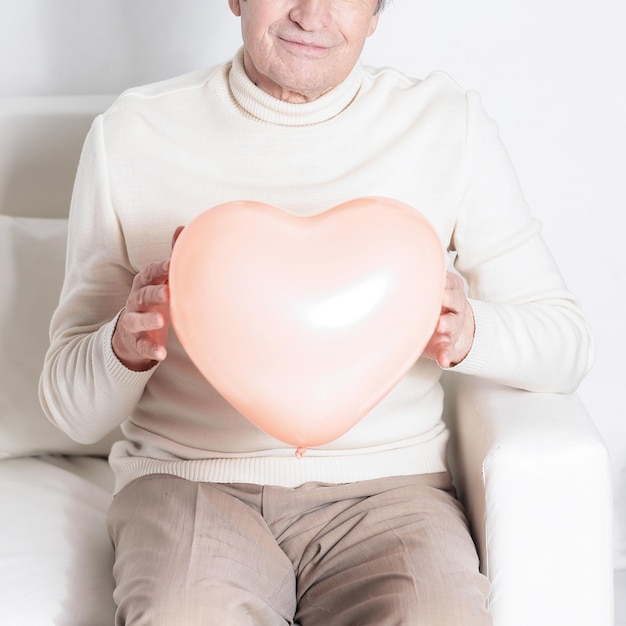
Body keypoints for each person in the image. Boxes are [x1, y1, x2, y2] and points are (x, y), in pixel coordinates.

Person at [40, 1, 594, 624]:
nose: (312, 14)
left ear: (377, 12)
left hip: (392, 495)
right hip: (190, 484)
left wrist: (470, 333)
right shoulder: (132, 133)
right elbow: (70, 410)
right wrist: (122, 347)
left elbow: (567, 343)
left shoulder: (446, 125)